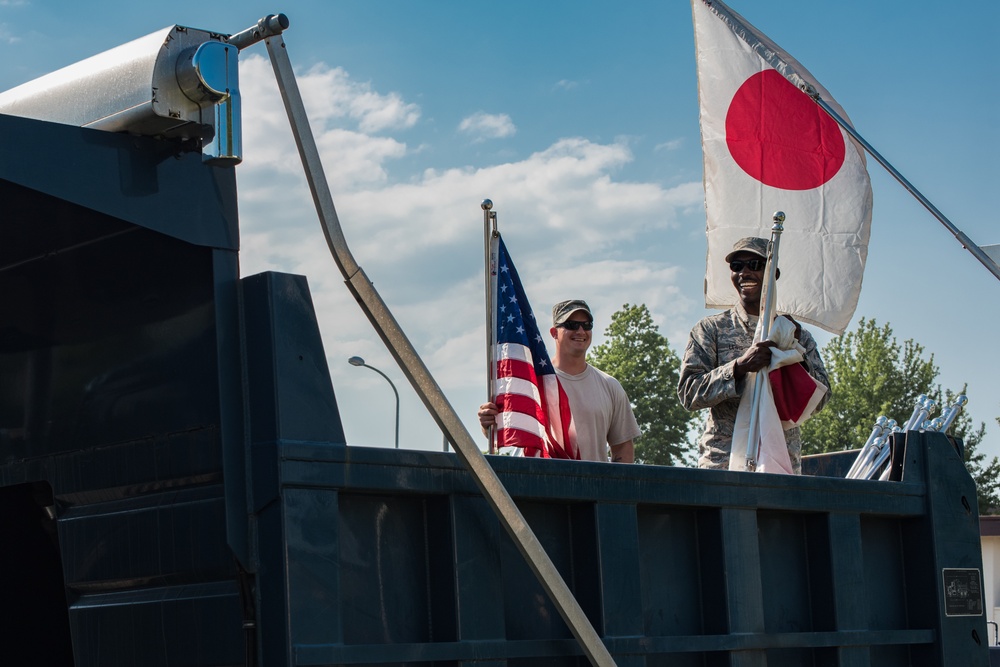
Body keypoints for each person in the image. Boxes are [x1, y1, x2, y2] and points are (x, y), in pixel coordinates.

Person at [677, 237, 831, 473]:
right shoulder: (711, 330)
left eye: (754, 265)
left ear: (773, 273)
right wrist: (738, 368)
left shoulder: (796, 335)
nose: (744, 273)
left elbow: (821, 399)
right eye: (736, 266)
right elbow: (688, 393)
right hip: (724, 464)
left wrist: (796, 355)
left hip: (778, 463)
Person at [478, 299, 641, 463]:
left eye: (587, 325)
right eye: (571, 324)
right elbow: (505, 431)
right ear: (554, 332)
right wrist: (488, 424)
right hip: (540, 484)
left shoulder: (610, 386)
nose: (580, 331)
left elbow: (622, 448)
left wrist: (615, 487)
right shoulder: (532, 383)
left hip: (594, 487)